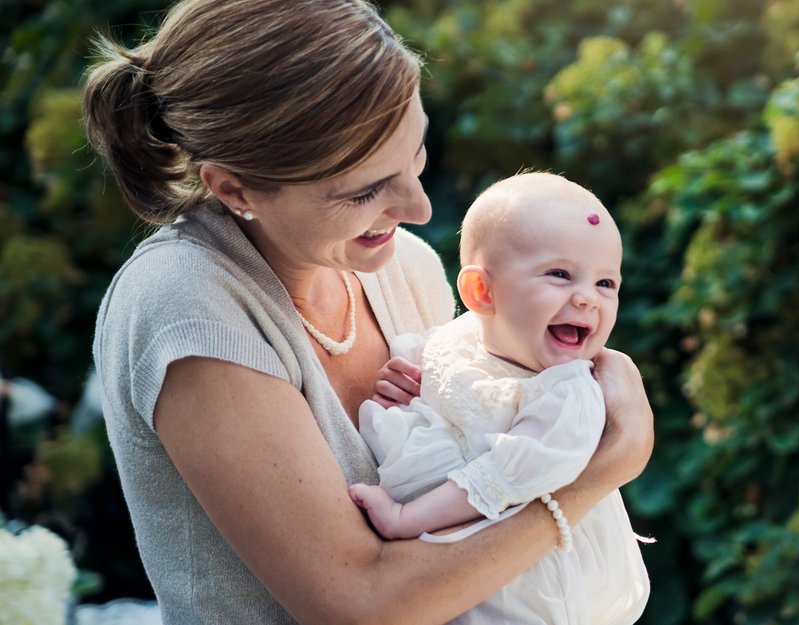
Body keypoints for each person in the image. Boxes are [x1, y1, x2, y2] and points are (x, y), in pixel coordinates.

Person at [81, 1, 653, 623]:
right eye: (365, 190)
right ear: (235, 189)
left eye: (415, 156)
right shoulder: (187, 305)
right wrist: (599, 470)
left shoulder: (401, 265)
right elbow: (362, 605)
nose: (420, 208)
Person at [347, 172, 650, 624]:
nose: (587, 298)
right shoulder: (462, 339)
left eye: (606, 283)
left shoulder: (570, 396)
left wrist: (403, 519)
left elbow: (503, 478)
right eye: (561, 274)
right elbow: (430, 369)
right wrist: (403, 380)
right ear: (481, 292)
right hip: (464, 580)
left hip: (543, 596)